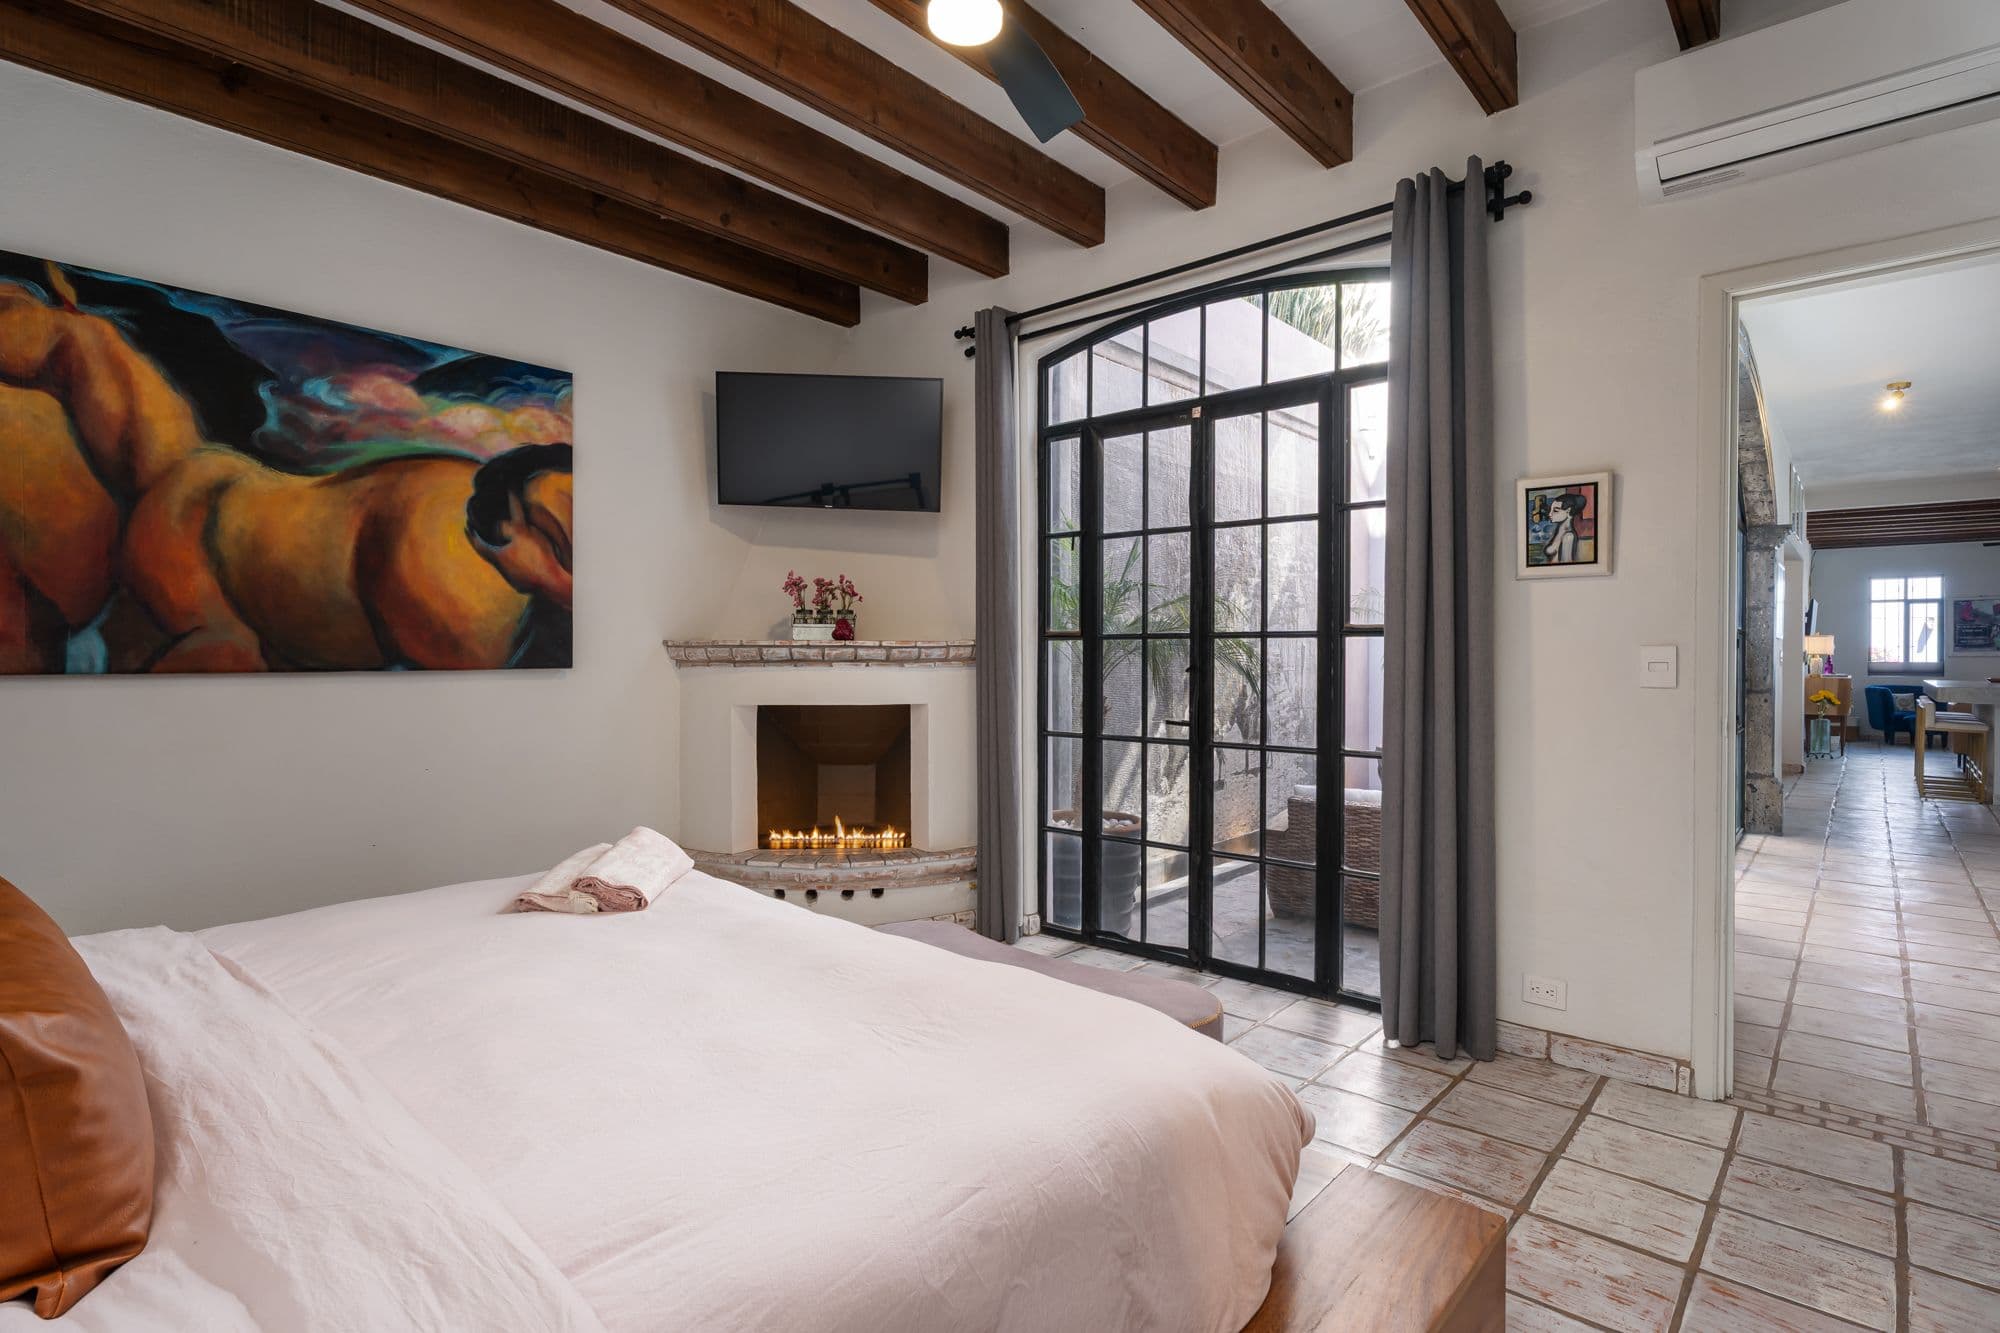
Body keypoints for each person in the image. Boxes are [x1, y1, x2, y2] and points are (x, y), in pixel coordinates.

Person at [1543, 491, 1589, 564]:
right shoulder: (1560, 531)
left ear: (1568, 511)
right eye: (1551, 509)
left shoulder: (1568, 536)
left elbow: (1566, 564)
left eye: (1555, 510)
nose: (1550, 514)